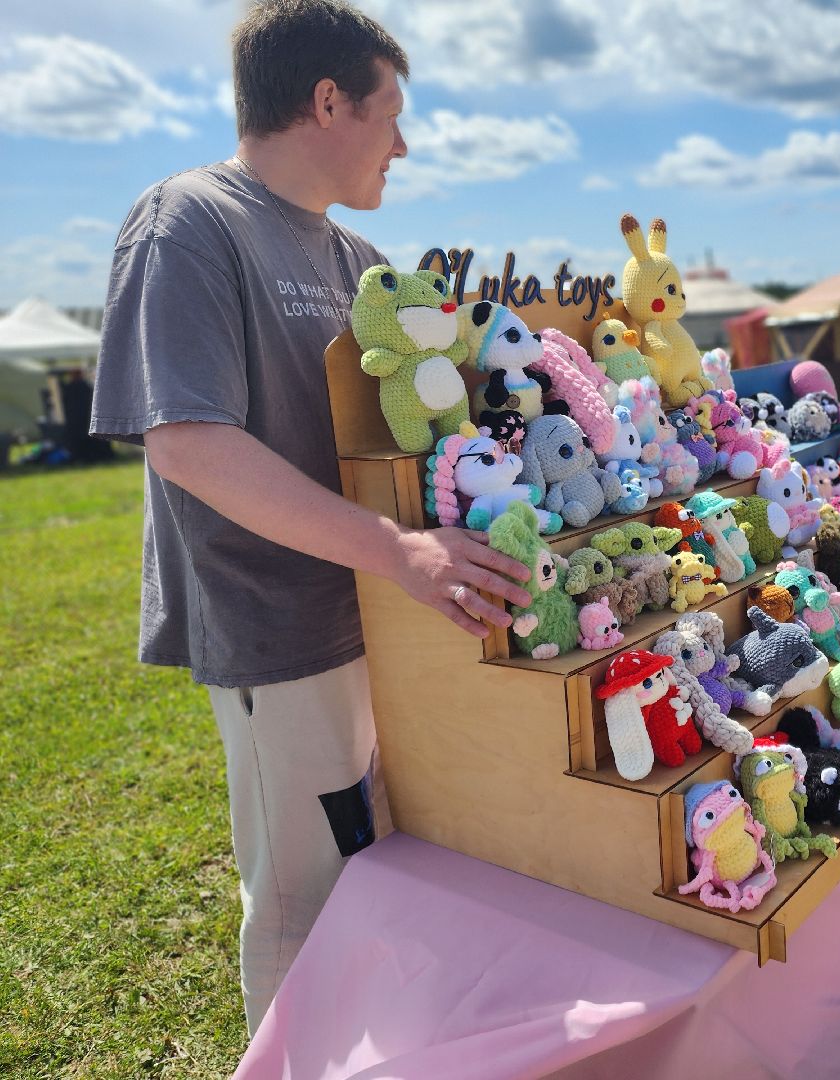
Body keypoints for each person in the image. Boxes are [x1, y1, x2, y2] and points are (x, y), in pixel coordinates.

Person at [88, 0, 532, 1035]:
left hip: (380, 613)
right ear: (327, 101)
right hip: (279, 631)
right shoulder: (188, 220)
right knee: (303, 894)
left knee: (377, 863)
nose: (405, 142)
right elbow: (186, 441)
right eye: (390, 114)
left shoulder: (351, 256)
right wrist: (400, 554)